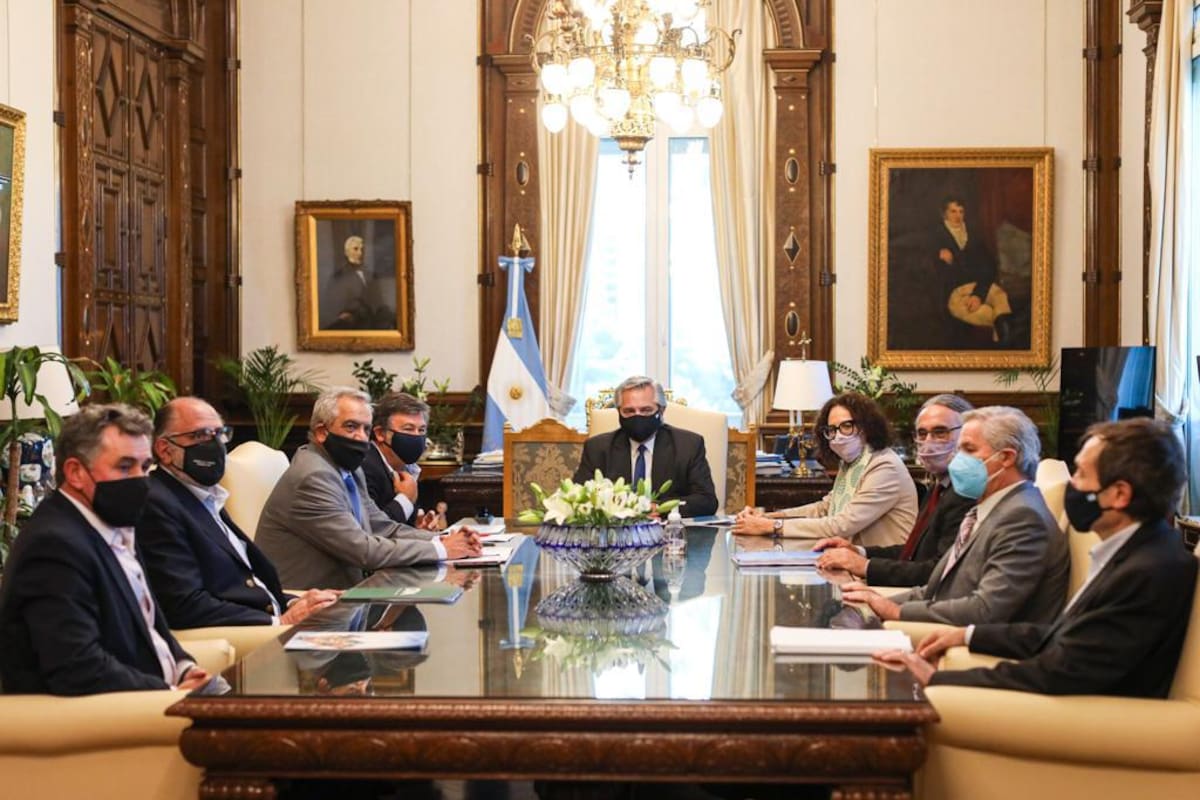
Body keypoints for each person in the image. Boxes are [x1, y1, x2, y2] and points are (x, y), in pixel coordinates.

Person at [878, 418, 1198, 698]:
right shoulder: (1132, 551)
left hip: (1090, 720)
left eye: (1081, 475)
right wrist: (966, 635)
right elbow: (1061, 634)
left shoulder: (1149, 570)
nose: (1071, 485)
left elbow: (1061, 670)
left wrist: (939, 679)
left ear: (1120, 494)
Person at [0, 404, 213, 694]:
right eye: (125, 467)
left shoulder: (111, 523)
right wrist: (170, 693)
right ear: (75, 472)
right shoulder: (54, 546)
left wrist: (185, 667)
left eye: (145, 466)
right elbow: (78, 668)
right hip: (107, 719)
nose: (141, 479)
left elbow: (150, 628)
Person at [841, 406, 1069, 626]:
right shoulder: (987, 508)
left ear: (1007, 457)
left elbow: (986, 610)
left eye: (968, 450)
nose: (956, 460)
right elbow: (939, 587)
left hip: (977, 645)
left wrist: (895, 611)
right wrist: (876, 602)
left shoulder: (1023, 518)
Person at [137, 397, 340, 629]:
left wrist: (295, 603)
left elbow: (242, 585)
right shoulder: (157, 504)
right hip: (245, 640)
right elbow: (185, 604)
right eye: (201, 435)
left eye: (220, 433)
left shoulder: (206, 497)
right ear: (165, 450)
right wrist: (279, 622)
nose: (215, 444)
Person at [256, 388, 482, 589]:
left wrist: (441, 539)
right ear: (321, 432)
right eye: (351, 427)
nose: (361, 437)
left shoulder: (348, 468)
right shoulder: (314, 477)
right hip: (309, 605)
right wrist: (442, 551)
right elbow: (364, 551)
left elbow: (380, 526)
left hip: (349, 595)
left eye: (365, 429)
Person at [814, 394, 975, 586]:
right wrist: (859, 551)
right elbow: (913, 552)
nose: (929, 442)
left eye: (940, 432)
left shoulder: (966, 492)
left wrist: (865, 566)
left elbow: (940, 571)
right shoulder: (939, 487)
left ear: (968, 436)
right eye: (922, 434)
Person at [733, 392, 917, 548]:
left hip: (879, 572)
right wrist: (766, 517)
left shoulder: (885, 466)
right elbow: (824, 508)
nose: (837, 436)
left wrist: (770, 526)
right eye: (831, 430)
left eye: (846, 426)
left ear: (866, 426)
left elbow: (841, 525)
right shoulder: (852, 462)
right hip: (849, 561)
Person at [573, 376, 718, 517]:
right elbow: (578, 498)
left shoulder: (688, 445)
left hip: (668, 535)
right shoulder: (597, 448)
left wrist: (659, 508)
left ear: (661, 411)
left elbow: (706, 501)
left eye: (646, 410)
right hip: (616, 535)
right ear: (618, 412)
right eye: (629, 411)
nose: (638, 417)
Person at [933, 196, 1014, 345]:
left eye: (961, 211)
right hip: (955, 293)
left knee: (999, 295)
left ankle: (1005, 332)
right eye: (953, 211)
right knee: (988, 313)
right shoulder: (935, 237)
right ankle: (1005, 334)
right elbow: (923, 266)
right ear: (944, 214)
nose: (958, 216)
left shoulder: (974, 235)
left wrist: (978, 295)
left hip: (978, 286)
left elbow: (990, 266)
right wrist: (937, 256)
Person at [362, 391, 437, 527]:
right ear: (380, 433)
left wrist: (419, 528)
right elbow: (373, 530)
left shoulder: (407, 466)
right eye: (408, 429)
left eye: (421, 430)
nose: (416, 437)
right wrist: (405, 499)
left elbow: (403, 528)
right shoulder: (365, 467)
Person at [320, 234, 396, 330]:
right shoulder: (338, 277)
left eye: (362, 249)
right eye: (355, 249)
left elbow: (378, 301)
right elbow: (333, 308)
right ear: (346, 252)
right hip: (351, 327)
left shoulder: (371, 275)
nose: (360, 253)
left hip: (373, 325)